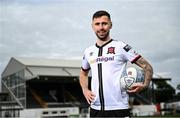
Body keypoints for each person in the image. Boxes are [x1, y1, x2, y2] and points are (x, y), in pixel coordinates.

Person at [79, 10, 153, 117]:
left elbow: (147, 67)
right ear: (92, 26)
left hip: (118, 109)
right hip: (95, 109)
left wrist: (145, 85)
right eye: (97, 24)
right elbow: (83, 73)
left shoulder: (121, 47)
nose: (101, 27)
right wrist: (85, 90)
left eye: (104, 23)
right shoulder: (88, 51)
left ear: (110, 25)